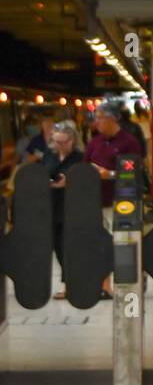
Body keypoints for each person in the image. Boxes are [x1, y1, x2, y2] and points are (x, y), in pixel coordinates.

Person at [83, 102, 142, 299]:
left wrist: (109, 173)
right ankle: (104, 284)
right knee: (100, 244)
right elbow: (84, 166)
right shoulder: (95, 142)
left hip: (121, 203)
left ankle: (129, 281)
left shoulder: (129, 142)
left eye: (100, 118)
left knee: (122, 243)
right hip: (97, 202)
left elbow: (132, 172)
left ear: (112, 118)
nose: (96, 122)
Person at [44, 120, 85, 301]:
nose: (61, 146)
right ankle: (71, 283)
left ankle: (71, 285)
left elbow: (85, 179)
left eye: (65, 142)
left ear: (73, 140)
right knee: (58, 247)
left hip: (73, 206)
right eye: (57, 142)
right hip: (52, 206)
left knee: (70, 246)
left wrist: (69, 181)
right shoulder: (50, 155)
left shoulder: (79, 157)